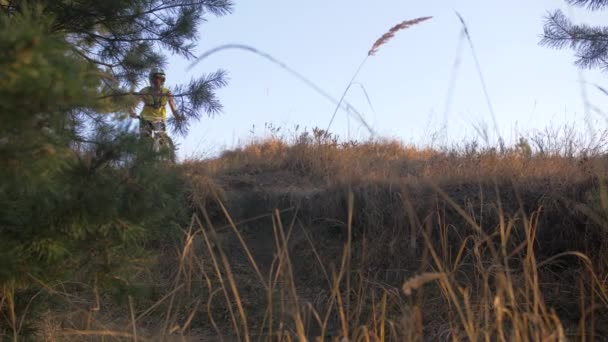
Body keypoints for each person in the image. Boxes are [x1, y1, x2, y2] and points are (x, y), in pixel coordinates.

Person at [129, 68, 183, 139]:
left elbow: (173, 105)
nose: (158, 81)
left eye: (161, 79)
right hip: (145, 119)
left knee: (161, 140)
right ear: (151, 79)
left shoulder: (166, 92)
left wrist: (177, 115)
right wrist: (132, 112)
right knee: (144, 139)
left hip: (160, 120)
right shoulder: (145, 91)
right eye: (156, 78)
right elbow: (132, 104)